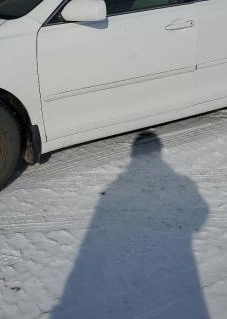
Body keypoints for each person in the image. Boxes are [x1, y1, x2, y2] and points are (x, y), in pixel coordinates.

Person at [52, 131, 210, 318]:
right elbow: (201, 212)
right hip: (172, 262)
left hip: (130, 268)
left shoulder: (116, 188)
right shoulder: (181, 183)